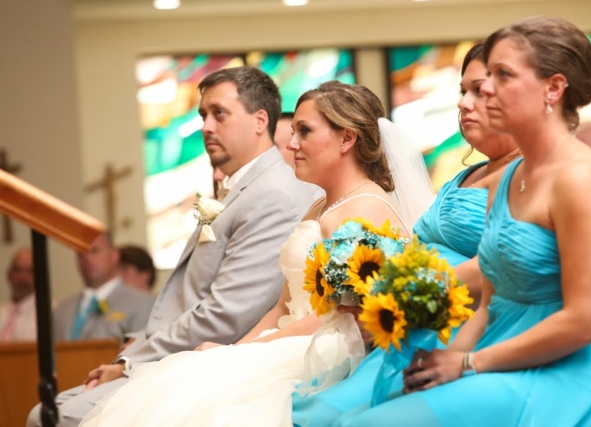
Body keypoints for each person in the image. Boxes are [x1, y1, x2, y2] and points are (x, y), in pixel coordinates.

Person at [77, 81, 433, 427]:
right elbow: (281, 306)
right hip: (288, 339)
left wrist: (246, 353)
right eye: (293, 132)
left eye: (304, 131)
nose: (291, 144)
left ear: (347, 139)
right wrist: (235, 350)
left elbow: (342, 319)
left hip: (328, 351)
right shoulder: (319, 207)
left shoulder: (364, 210)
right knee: (185, 380)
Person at [334, 17, 591, 426]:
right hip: (493, 356)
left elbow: (585, 322)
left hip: (560, 375)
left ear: (554, 88)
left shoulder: (581, 177)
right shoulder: (507, 180)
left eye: (502, 75)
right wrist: (442, 361)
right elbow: (489, 305)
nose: (485, 89)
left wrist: (467, 363)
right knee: (371, 403)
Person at [28, 66, 311, 427]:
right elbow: (193, 294)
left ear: (260, 121)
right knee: (53, 408)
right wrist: (138, 344)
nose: (206, 126)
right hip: (176, 352)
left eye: (219, 114)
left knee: (53, 416)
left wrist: (130, 362)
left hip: (210, 362)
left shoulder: (272, 194)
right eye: (203, 115)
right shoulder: (240, 188)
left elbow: (226, 314)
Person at [291, 42, 521, 427]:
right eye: (462, 90)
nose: (464, 103)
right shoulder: (464, 175)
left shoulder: (524, 175)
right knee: (306, 409)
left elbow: (499, 264)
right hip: (416, 323)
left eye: (479, 90)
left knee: (331, 416)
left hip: (457, 319)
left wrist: (395, 297)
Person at [52, 232, 155, 342]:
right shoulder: (61, 310)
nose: (87, 258)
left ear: (115, 255)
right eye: (81, 254)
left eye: (94, 251)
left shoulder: (143, 304)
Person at [0, 248, 37, 342]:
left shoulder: (51, 314)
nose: (23, 277)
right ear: (8, 274)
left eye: (30, 271)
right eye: (17, 270)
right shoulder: (2, 312)